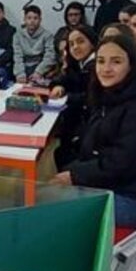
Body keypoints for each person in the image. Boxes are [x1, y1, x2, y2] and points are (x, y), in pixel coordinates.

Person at [52, 35, 136, 228]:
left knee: (52, 206)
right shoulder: (109, 96)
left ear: (131, 65)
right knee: (49, 192)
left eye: (116, 62)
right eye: (101, 61)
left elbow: (121, 165)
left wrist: (74, 175)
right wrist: (73, 171)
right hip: (117, 186)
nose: (106, 68)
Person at [49, 25, 98, 169]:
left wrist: (67, 97)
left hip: (89, 126)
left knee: (62, 154)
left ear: (92, 42)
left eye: (80, 41)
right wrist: (59, 85)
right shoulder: (78, 64)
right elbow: (64, 80)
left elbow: (90, 98)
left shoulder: (95, 66)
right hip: (77, 122)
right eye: (71, 44)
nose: (75, 47)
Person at [12, 5, 56, 84]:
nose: (32, 21)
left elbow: (50, 56)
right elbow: (17, 56)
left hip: (41, 68)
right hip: (24, 67)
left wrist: (38, 72)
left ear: (40, 20)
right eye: (29, 18)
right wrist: (20, 74)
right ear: (24, 19)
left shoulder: (48, 35)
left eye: (35, 18)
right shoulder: (17, 35)